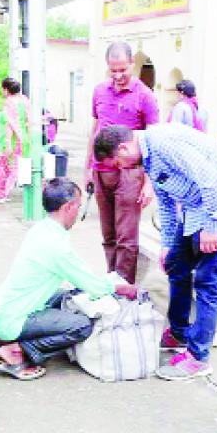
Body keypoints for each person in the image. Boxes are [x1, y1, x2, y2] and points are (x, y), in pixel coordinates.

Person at [93, 123, 217, 381]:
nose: (120, 168)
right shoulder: (148, 158)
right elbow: (166, 203)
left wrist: (213, 226)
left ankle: (199, 358)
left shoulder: (163, 144)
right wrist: (167, 244)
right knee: (175, 265)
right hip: (195, 207)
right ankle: (179, 332)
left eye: (118, 161)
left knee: (207, 281)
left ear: (124, 147)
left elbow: (210, 180)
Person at [0, 178, 138, 379]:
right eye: (79, 206)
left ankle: (12, 341)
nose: (79, 212)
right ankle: (18, 349)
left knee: (67, 296)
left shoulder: (41, 229)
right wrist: (121, 288)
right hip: (12, 321)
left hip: (1, 310)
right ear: (68, 207)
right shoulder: (57, 246)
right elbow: (92, 285)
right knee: (82, 325)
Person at [84, 41, 159, 285]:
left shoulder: (145, 96)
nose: (118, 76)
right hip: (101, 170)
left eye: (122, 70)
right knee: (108, 235)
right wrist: (87, 168)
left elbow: (153, 143)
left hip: (129, 173)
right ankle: (111, 280)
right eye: (112, 70)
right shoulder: (99, 91)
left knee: (126, 238)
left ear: (132, 65)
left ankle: (123, 288)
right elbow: (94, 130)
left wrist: (148, 183)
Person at [0, 77, 31, 203]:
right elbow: (28, 121)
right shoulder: (25, 100)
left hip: (11, 140)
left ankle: (0, 195)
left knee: (2, 168)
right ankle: (26, 196)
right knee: (17, 168)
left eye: (3, 89)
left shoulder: (9, 102)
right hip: (23, 140)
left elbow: (9, 124)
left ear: (6, 90)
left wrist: (8, 143)